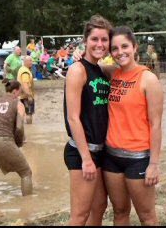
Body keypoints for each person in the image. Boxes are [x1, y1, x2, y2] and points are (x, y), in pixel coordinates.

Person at [100, 26, 163, 226]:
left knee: (147, 217)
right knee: (119, 212)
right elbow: (92, 64)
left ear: (135, 47)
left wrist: (153, 164)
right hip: (111, 157)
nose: (120, 52)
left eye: (125, 46)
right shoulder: (113, 73)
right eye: (115, 48)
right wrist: (79, 53)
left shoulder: (148, 79)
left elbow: (156, 125)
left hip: (138, 159)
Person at [64, 15, 113, 226]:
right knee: (80, 215)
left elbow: (126, 66)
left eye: (104, 39)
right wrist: (86, 158)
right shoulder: (78, 70)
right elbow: (73, 118)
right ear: (85, 40)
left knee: (100, 205)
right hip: (82, 152)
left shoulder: (101, 70)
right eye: (94, 39)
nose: (99, 44)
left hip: (100, 151)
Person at [17, 56, 35, 124]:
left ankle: (20, 127)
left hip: (21, 95)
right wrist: (29, 95)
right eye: (30, 61)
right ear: (25, 62)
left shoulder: (22, 69)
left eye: (31, 61)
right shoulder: (25, 72)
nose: (31, 63)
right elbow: (25, 85)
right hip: (26, 96)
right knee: (29, 114)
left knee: (22, 113)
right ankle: (29, 127)